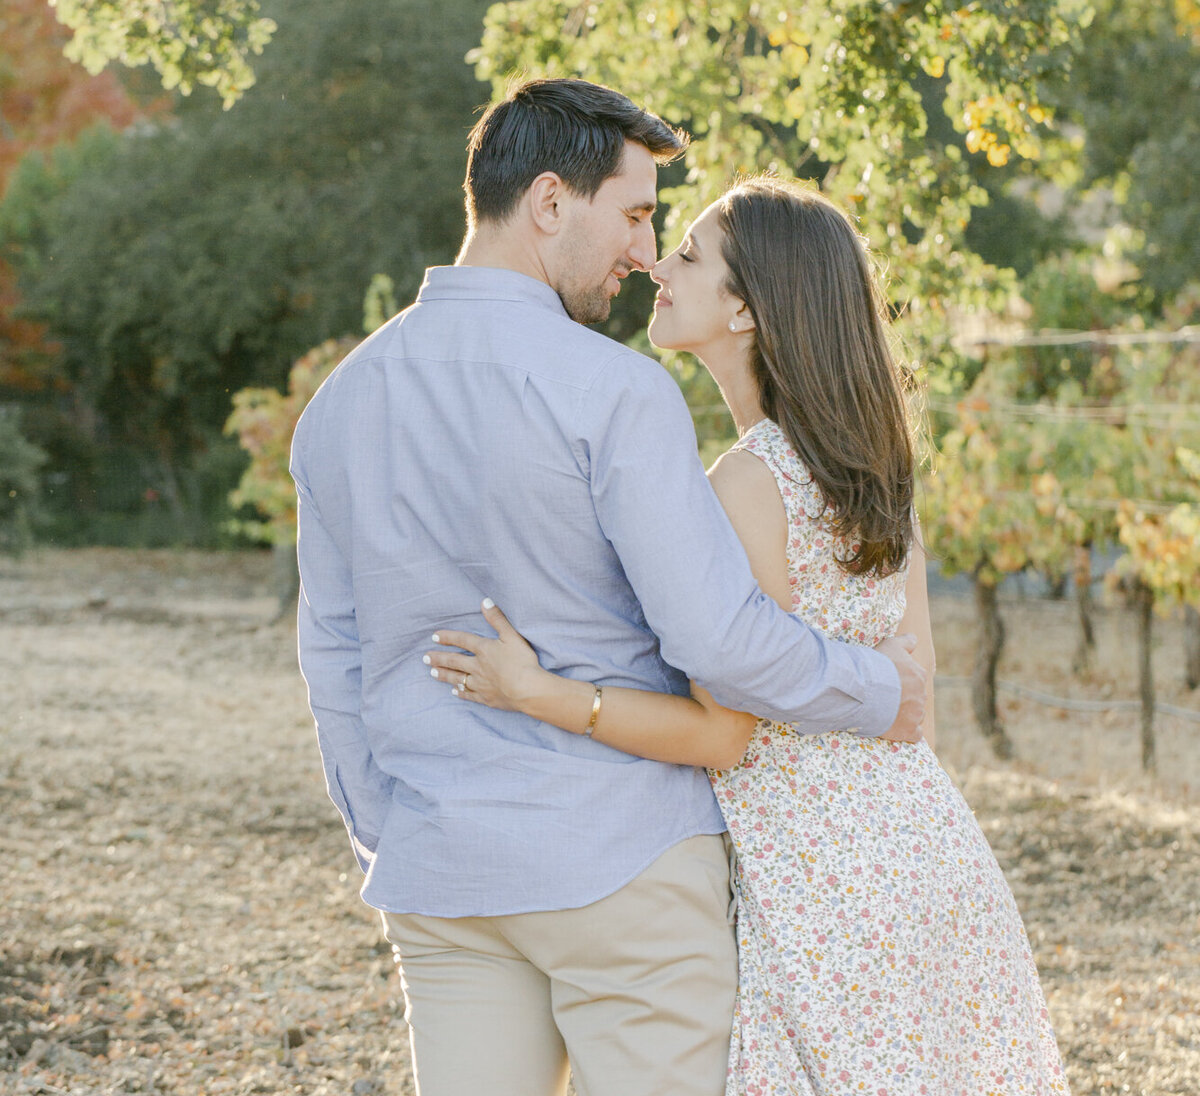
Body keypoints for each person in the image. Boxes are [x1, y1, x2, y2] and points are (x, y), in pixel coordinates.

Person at [292, 79, 927, 1096]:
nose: (644, 255)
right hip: (624, 870)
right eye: (635, 216)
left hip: (445, 872)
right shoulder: (614, 392)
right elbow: (717, 640)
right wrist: (882, 690)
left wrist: (392, 826)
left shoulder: (339, 403)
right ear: (549, 203)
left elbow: (332, 651)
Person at [429, 176, 1071, 1095]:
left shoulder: (747, 483)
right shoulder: (872, 473)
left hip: (818, 894)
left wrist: (545, 695)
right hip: (926, 857)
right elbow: (915, 689)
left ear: (746, 310)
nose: (658, 264)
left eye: (688, 254)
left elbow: (722, 729)